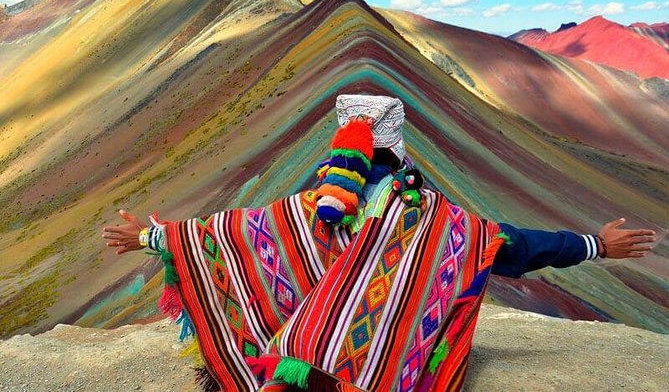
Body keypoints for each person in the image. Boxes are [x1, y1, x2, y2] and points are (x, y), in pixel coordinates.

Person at [103, 94, 655, 392]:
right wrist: (595, 245)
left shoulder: (309, 208)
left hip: (299, 361)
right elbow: (511, 247)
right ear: (399, 148)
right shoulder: (434, 218)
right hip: (384, 372)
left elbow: (226, 234)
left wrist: (149, 236)